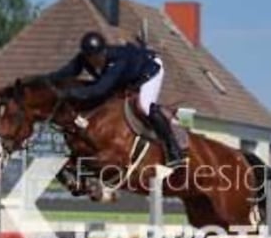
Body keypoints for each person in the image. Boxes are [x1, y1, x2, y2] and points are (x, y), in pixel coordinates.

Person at [48, 31, 186, 167]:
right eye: (91, 58)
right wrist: (42, 81)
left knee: (144, 106)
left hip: (149, 69)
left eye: (98, 56)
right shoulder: (84, 58)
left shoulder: (117, 61)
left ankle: (173, 149)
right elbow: (65, 73)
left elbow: (99, 89)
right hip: (129, 76)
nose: (95, 61)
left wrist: (69, 93)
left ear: (104, 52)